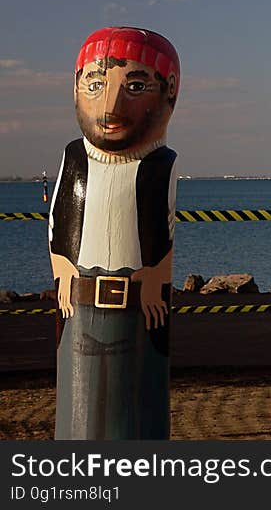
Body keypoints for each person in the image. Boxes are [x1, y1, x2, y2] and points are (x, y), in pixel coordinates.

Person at [50, 27, 179, 439]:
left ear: (169, 92)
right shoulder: (74, 158)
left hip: (140, 309)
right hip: (79, 303)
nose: (111, 104)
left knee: (138, 402)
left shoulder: (161, 165)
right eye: (95, 83)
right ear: (75, 87)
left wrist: (157, 275)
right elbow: (59, 221)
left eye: (135, 86)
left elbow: (164, 232)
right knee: (79, 404)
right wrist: (62, 268)